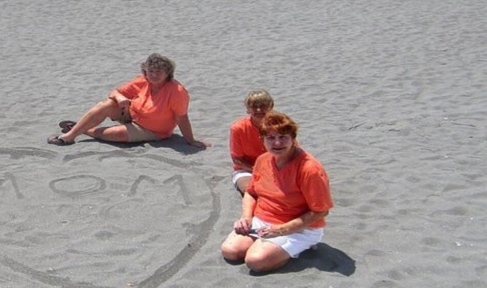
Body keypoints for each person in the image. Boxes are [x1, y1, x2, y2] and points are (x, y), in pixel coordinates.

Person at [220, 111, 333, 273]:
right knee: (231, 251)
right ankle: (267, 247)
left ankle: (301, 246)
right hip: (262, 219)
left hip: (298, 227)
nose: (277, 143)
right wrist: (246, 218)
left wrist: (280, 230)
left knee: (255, 261)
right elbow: (251, 193)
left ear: (293, 139)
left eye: (283, 137)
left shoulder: (309, 169)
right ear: (263, 140)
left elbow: (321, 211)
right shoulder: (263, 160)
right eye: (271, 138)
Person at [48, 53, 207, 148]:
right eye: (151, 71)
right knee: (106, 104)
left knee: (117, 135)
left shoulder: (177, 91)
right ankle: (70, 136)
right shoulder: (142, 81)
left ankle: (82, 128)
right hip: (132, 114)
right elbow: (115, 92)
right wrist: (120, 97)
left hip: (153, 130)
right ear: (145, 71)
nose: (154, 75)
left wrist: (191, 140)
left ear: (168, 73)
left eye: (159, 72)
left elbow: (182, 118)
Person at [229, 90, 274, 195]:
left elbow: (292, 151)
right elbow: (237, 160)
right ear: (248, 109)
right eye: (254, 106)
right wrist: (259, 171)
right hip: (247, 169)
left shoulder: (279, 125)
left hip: (276, 168)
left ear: (270, 107)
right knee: (250, 190)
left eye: (263, 105)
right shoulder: (238, 128)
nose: (259, 110)